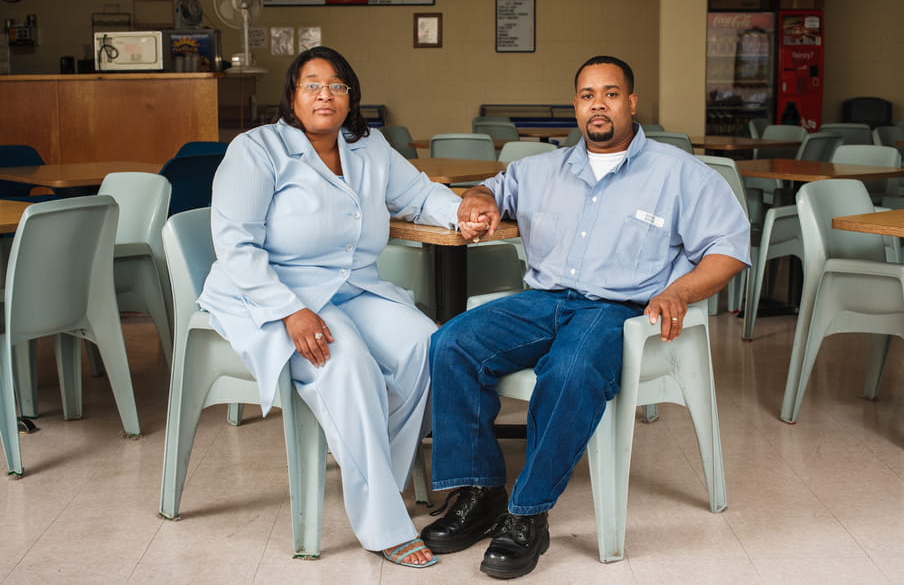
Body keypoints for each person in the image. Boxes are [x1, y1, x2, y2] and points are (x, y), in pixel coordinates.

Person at [420, 55, 750, 579]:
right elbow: (492, 190)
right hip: (543, 301)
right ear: (576, 105)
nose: (598, 105)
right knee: (450, 344)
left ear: (632, 102)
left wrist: (679, 291)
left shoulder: (681, 173)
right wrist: (479, 200)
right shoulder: (539, 169)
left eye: (611, 94)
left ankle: (528, 515)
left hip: (615, 309)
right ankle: (481, 492)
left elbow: (729, 249)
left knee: (570, 373)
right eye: (587, 95)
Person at [198, 46, 465, 568]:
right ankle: (385, 525)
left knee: (427, 344)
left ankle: (376, 478)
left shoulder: (370, 148)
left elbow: (420, 195)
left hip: (348, 285)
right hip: (273, 291)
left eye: (337, 85)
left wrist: (463, 213)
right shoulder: (257, 150)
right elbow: (235, 245)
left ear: (351, 98)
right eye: (312, 84)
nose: (325, 94)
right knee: (346, 363)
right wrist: (288, 310)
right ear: (292, 97)